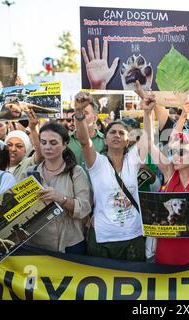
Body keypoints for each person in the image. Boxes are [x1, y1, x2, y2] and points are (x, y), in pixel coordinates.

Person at [73, 87, 148, 262]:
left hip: (133, 237)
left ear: (127, 139)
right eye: (112, 132)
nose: (116, 135)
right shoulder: (97, 163)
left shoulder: (132, 160)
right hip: (103, 239)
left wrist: (147, 110)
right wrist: (78, 112)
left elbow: (147, 139)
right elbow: (84, 141)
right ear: (105, 139)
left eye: (121, 133)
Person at [143, 98, 189, 265]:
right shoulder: (169, 171)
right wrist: (147, 113)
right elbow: (148, 144)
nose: (175, 156)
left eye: (182, 153)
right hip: (168, 246)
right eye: (174, 152)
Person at [24, 122, 92, 254]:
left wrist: (61, 198)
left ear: (65, 144)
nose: (47, 147)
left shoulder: (75, 172)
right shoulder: (29, 173)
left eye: (53, 143)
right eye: (43, 142)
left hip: (70, 244)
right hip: (36, 245)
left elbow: (84, 208)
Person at [68, 97, 105, 170]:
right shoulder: (66, 141)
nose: (81, 116)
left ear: (94, 118)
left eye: (85, 113)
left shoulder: (105, 141)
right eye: (78, 113)